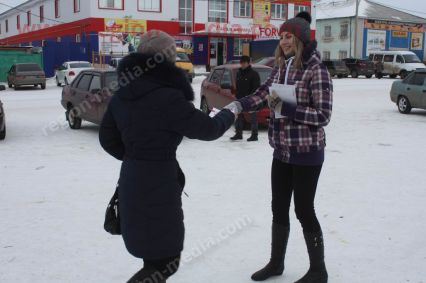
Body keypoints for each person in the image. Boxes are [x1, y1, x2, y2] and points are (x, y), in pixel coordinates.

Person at [99, 30, 235, 283]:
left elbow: (107, 139)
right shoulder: (169, 97)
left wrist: (135, 158)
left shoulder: (122, 95)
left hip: (132, 179)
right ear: (168, 61)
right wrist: (231, 111)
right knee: (165, 262)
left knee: (152, 256)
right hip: (159, 183)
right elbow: (208, 129)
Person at [225, 12, 333, 283]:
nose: (284, 41)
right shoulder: (280, 66)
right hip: (281, 150)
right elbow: (263, 94)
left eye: (289, 36)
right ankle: (276, 263)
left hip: (307, 152)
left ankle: (319, 270)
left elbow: (323, 116)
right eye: (282, 36)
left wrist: (288, 108)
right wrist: (238, 105)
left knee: (303, 210)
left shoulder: (315, 69)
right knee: (278, 207)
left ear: (300, 39)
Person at [231, 56, 261, 142]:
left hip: (251, 99)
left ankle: (254, 135)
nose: (242, 64)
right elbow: (237, 86)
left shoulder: (254, 74)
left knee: (253, 117)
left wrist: (250, 97)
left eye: (244, 63)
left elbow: (256, 87)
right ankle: (238, 134)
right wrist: (236, 94)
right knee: (238, 117)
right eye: (241, 63)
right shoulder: (239, 73)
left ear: (248, 63)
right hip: (240, 98)